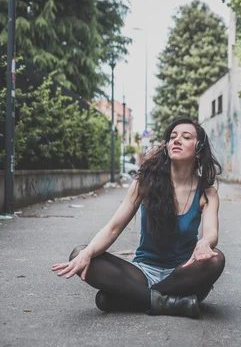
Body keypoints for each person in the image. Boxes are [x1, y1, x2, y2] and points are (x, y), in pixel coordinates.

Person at [51, 117, 225, 318]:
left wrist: (205, 243)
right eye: (172, 137)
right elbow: (113, 227)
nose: (176, 140)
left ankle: (136, 297)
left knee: (215, 259)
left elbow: (211, 233)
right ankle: (168, 302)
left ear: (198, 151)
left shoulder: (207, 192)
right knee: (79, 254)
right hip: (142, 272)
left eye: (186, 137)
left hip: (183, 274)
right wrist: (88, 253)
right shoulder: (144, 183)